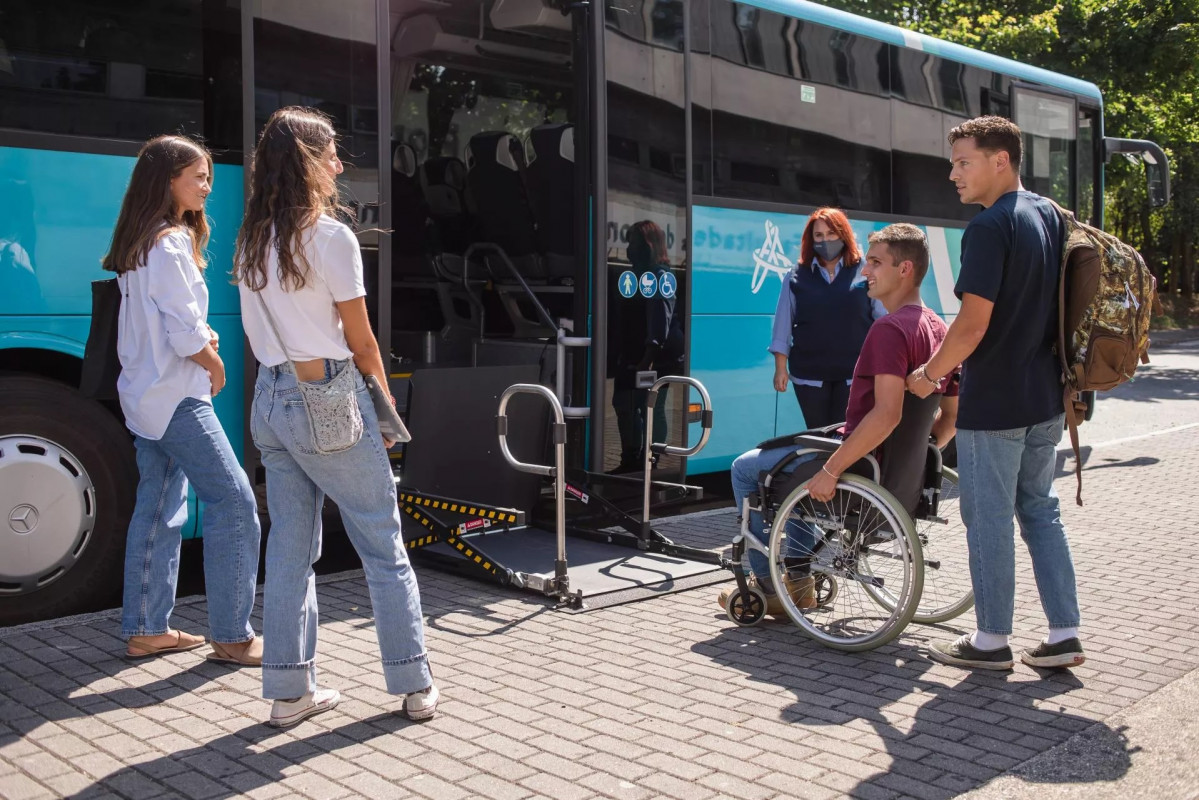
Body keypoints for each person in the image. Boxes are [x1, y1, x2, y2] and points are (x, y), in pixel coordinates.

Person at [234, 106, 438, 728]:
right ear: (308, 162)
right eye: (331, 154)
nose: (339, 165)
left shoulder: (252, 237)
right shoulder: (330, 237)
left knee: (291, 550)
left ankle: (289, 694)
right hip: (325, 400)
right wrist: (380, 396)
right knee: (383, 542)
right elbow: (362, 340)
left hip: (269, 402)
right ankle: (413, 683)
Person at [906, 116, 1083, 672]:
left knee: (987, 519)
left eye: (963, 162)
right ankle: (1064, 634)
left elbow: (971, 326)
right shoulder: (1049, 214)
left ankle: (990, 641)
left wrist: (930, 375)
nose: (953, 174)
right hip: (1047, 398)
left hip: (997, 401)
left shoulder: (987, 227)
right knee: (1040, 510)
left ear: (999, 160)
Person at [721, 224, 959, 615]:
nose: (865, 271)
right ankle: (797, 581)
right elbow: (949, 419)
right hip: (895, 476)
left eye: (876, 262)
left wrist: (832, 471)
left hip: (862, 473)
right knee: (794, 463)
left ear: (905, 270)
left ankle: (772, 588)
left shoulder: (888, 330)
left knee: (746, 469)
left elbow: (887, 414)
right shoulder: (938, 329)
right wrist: (914, 453)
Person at [103, 135, 262, 665]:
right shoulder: (168, 243)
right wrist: (213, 363)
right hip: (177, 397)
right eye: (198, 176)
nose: (207, 186)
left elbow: (154, 325)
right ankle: (233, 636)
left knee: (159, 507)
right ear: (167, 179)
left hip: (145, 395)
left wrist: (200, 343)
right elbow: (183, 332)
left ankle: (147, 628)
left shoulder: (139, 243)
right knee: (235, 502)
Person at [770, 207, 887, 429]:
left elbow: (882, 320)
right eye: (819, 236)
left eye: (832, 234)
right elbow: (782, 325)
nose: (826, 240)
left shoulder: (866, 271)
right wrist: (780, 368)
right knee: (818, 438)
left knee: (846, 437)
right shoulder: (795, 276)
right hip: (809, 376)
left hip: (855, 375)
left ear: (844, 234)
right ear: (810, 240)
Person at [610, 221, 684, 472]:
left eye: (634, 243)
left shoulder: (660, 276)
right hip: (632, 353)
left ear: (648, 246)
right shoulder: (633, 275)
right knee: (625, 405)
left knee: (650, 407)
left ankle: (649, 460)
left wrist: (648, 356)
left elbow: (659, 319)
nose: (629, 249)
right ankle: (631, 457)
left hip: (653, 356)